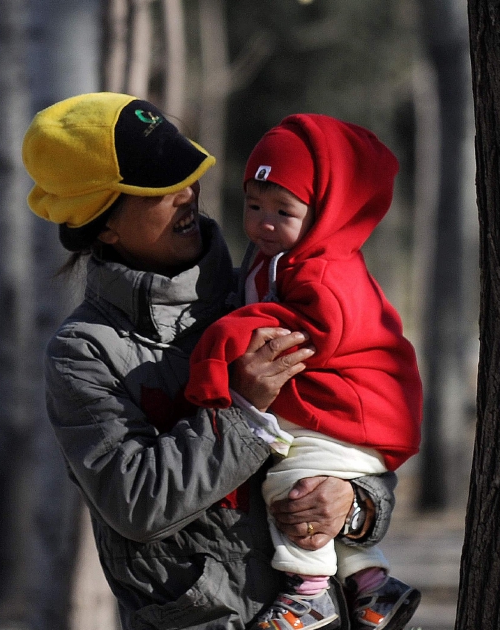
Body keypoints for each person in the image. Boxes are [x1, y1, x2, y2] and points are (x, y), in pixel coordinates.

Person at [23, 91, 399, 630]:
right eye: (159, 187)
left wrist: (355, 503)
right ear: (102, 224)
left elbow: (359, 418)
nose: (187, 193)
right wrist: (242, 411)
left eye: (184, 173)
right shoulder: (85, 351)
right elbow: (135, 504)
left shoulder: (274, 283)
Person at [183, 114, 423, 630]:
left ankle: (310, 594)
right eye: (253, 206)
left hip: (345, 409)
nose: (263, 223)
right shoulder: (277, 258)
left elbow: (315, 330)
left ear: (324, 213)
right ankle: (372, 586)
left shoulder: (323, 268)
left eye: (283, 211)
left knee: (294, 489)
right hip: (330, 411)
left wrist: (233, 331)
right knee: (312, 487)